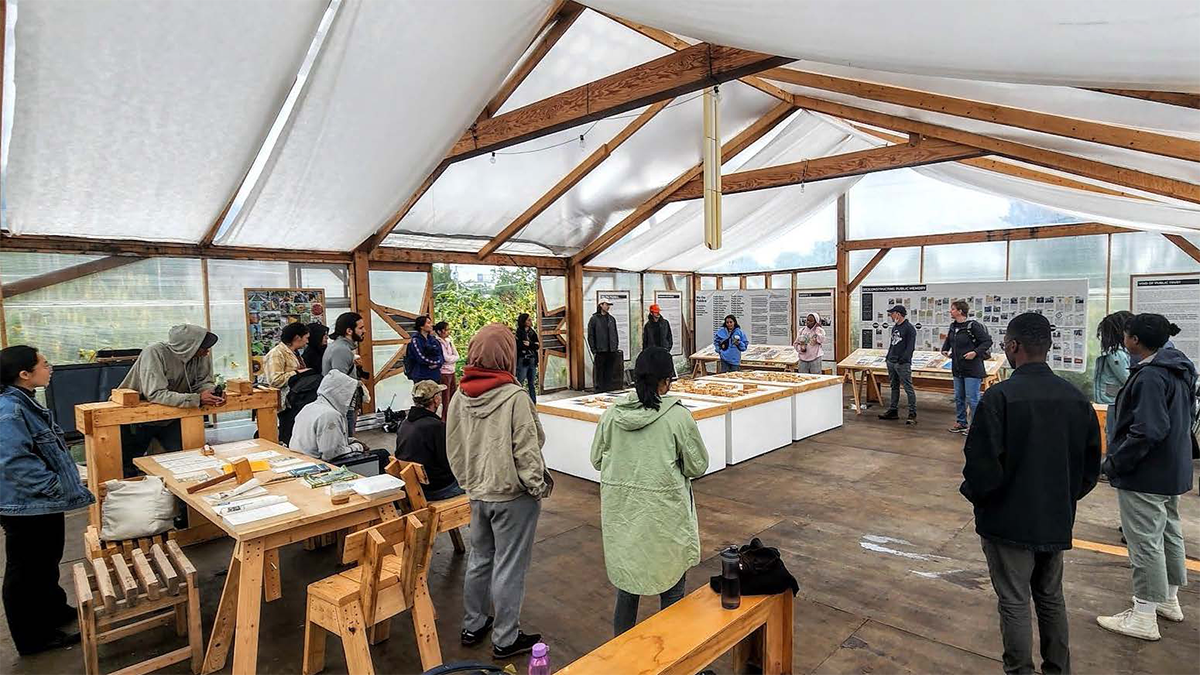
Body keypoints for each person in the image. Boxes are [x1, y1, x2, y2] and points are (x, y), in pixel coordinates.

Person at [961, 313, 1101, 675]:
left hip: (1007, 520)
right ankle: (1058, 668)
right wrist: (1065, 496)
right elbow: (1090, 467)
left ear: (1013, 346)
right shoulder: (1075, 398)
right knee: (1051, 597)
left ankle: (1019, 670)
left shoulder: (1000, 397)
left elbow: (980, 465)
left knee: (1014, 600)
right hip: (1055, 517)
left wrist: (981, 498)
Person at [446, 323, 550, 659]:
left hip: (478, 493)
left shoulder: (460, 396)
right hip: (513, 497)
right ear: (507, 354)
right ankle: (505, 637)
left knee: (480, 559)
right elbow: (528, 448)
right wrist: (535, 488)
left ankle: (473, 623)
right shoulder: (515, 396)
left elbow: (454, 447)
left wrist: (469, 482)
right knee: (510, 565)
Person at [590, 347, 709, 637]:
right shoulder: (677, 417)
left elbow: (596, 460)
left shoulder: (611, 416)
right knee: (671, 592)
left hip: (624, 519)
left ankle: (620, 653)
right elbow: (698, 465)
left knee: (627, 590)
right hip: (665, 521)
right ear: (665, 382)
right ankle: (671, 660)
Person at [1097, 314, 1195, 641]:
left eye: (1127, 335)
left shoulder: (1151, 376)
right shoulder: (1178, 367)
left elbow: (1148, 430)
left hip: (1147, 474)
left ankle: (1143, 615)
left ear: (1134, 341)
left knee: (1145, 542)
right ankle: (1168, 599)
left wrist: (1113, 463)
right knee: (1168, 531)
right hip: (1172, 469)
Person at [0, 346, 95, 655]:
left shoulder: (24, 401)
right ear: (24, 374)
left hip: (39, 502)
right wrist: (54, 486)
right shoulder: (9, 410)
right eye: (43, 363)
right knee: (27, 570)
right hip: (27, 504)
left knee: (46, 560)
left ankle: (53, 610)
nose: (49, 367)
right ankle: (33, 638)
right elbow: (14, 461)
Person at [119, 324, 224, 476]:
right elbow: (155, 394)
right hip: (137, 419)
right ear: (188, 347)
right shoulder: (155, 353)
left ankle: (180, 494)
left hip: (172, 416)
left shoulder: (200, 356)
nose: (207, 351)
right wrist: (197, 399)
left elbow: (203, 381)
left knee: (187, 458)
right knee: (127, 465)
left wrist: (210, 392)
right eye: (203, 347)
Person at [290, 370, 386, 468]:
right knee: (382, 455)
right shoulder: (330, 415)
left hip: (301, 459)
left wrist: (351, 441)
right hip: (318, 465)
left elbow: (323, 441)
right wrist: (358, 447)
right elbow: (332, 454)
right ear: (343, 394)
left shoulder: (309, 407)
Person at [395, 380, 464, 501]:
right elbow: (448, 461)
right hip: (435, 488)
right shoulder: (435, 426)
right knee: (476, 485)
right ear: (436, 400)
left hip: (412, 484)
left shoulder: (405, 423)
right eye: (439, 395)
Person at [941, 300, 993, 434]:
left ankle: (975, 426)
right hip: (957, 368)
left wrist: (975, 353)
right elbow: (949, 340)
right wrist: (945, 349)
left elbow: (987, 341)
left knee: (972, 398)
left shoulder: (973, 326)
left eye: (952, 309)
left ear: (960, 311)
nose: (950, 311)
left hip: (972, 369)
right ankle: (961, 422)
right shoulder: (953, 326)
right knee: (959, 397)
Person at [264, 322, 310, 444]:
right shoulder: (277, 354)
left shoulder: (295, 353)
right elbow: (274, 380)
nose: (307, 342)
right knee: (287, 433)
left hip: (297, 399)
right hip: (286, 402)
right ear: (297, 338)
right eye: (306, 338)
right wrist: (297, 373)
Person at [323, 312, 365, 435]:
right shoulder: (342, 349)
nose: (365, 331)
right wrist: (357, 383)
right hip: (343, 406)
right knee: (347, 438)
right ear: (349, 331)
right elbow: (340, 382)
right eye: (361, 328)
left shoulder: (339, 346)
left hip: (342, 404)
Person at [1094, 310, 1134, 440]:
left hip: (1118, 402)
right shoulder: (1119, 353)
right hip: (1118, 402)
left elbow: (1127, 379)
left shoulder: (1116, 354)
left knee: (1114, 436)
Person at [879, 305, 917, 425]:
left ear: (898, 314)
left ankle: (912, 413)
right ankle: (893, 410)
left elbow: (910, 347)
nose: (890, 316)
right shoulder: (895, 327)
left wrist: (903, 360)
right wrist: (888, 357)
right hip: (891, 361)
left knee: (908, 388)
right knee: (894, 386)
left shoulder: (909, 329)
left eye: (892, 313)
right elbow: (892, 343)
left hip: (902, 363)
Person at [588, 301, 621, 392]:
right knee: (599, 371)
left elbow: (615, 333)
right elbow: (591, 335)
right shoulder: (594, 319)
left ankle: (608, 388)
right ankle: (599, 389)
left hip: (611, 350)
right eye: (606, 305)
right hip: (600, 350)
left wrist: (615, 346)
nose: (608, 307)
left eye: (609, 305)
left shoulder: (611, 319)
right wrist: (593, 349)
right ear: (601, 305)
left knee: (609, 370)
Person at [405, 315, 444, 385]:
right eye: (428, 323)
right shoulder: (415, 340)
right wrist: (433, 362)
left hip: (435, 376)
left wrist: (437, 363)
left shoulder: (433, 340)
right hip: (421, 376)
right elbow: (421, 358)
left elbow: (441, 355)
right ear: (421, 326)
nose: (431, 325)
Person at [434, 321, 459, 420]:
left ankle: (452, 416)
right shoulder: (438, 342)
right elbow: (446, 358)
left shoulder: (449, 341)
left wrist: (453, 358)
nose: (448, 332)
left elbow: (457, 355)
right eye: (446, 330)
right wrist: (453, 358)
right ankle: (445, 419)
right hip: (444, 372)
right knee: (445, 397)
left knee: (453, 394)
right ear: (440, 331)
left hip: (451, 370)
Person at [515, 313, 540, 401]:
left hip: (532, 360)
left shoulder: (532, 332)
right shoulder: (518, 332)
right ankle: (519, 401)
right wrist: (527, 345)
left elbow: (537, 345)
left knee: (531, 384)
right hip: (523, 360)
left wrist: (529, 344)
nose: (530, 321)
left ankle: (533, 403)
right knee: (520, 382)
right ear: (524, 321)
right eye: (528, 320)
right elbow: (518, 345)